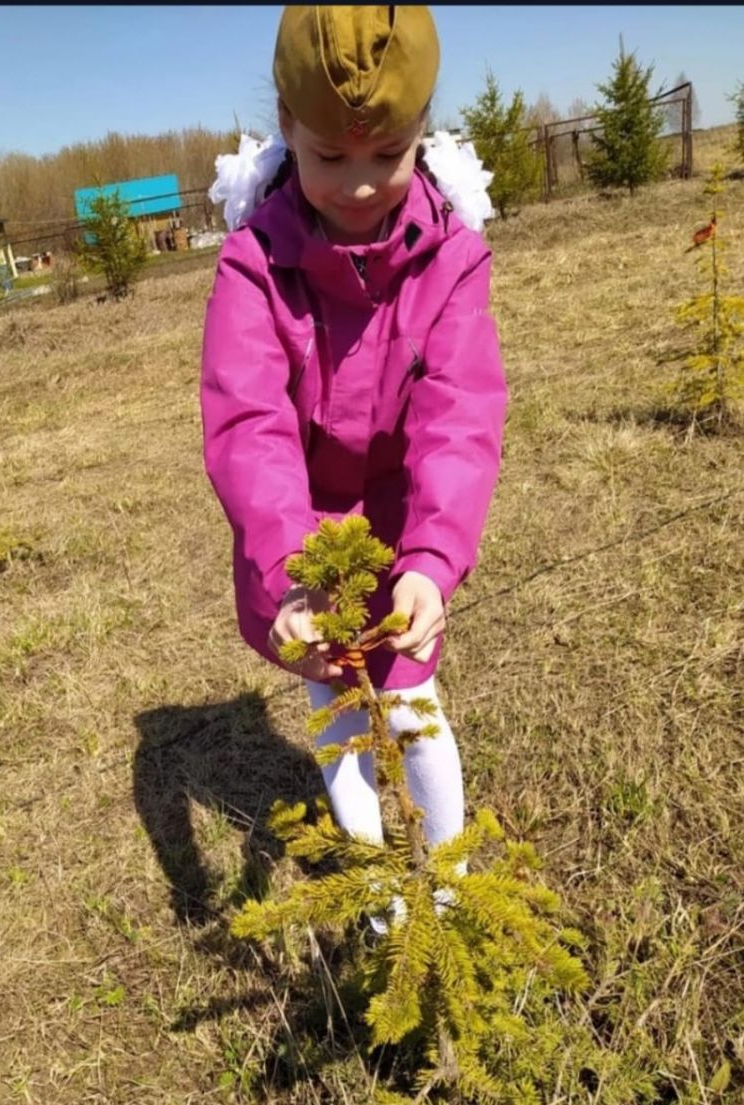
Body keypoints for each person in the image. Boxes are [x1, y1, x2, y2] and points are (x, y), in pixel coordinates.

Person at [199, 6, 508, 931]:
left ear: (423, 133)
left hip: (404, 530)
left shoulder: (452, 259)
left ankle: (446, 896)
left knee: (411, 709)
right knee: (337, 715)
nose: (361, 183)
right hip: (300, 543)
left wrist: (432, 560)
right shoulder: (253, 266)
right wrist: (291, 568)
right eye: (331, 158)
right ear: (287, 130)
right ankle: (380, 905)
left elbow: (459, 417)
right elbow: (249, 424)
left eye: (389, 154)